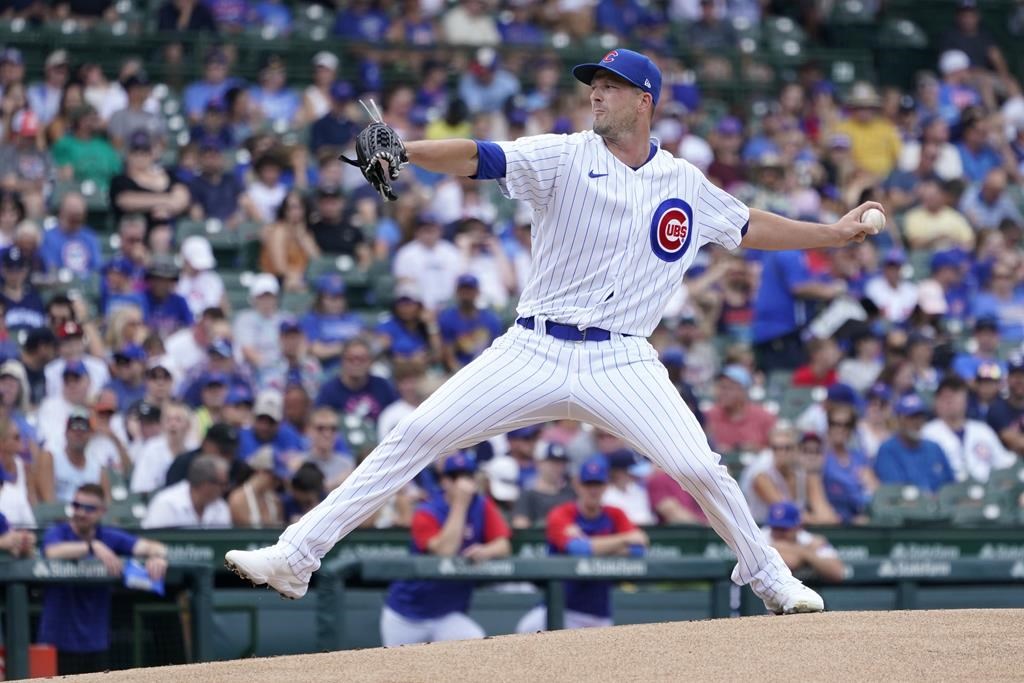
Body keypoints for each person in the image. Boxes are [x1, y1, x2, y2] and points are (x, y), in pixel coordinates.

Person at [226, 47, 883, 615]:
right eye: (592, 84)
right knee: (416, 432)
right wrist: (407, 151)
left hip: (623, 358)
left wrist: (836, 231)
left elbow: (748, 228)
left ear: (644, 100)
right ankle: (296, 555)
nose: (595, 92)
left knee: (697, 465)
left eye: (610, 85)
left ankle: (768, 576)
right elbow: (481, 157)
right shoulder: (563, 156)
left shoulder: (682, 180)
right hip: (534, 345)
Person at [378, 452, 511, 647]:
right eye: (455, 477)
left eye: (467, 476)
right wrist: (460, 505)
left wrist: (486, 550)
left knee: (477, 643)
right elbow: (445, 551)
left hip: (447, 614)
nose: (461, 483)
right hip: (407, 613)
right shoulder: (427, 511)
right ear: (444, 481)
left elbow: (504, 545)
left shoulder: (482, 505)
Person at [37, 483, 168, 675]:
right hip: (57, 642)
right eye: (76, 505)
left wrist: (157, 557)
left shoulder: (108, 536)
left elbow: (154, 547)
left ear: (102, 512)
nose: (81, 512)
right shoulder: (59, 532)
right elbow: (51, 551)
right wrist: (91, 547)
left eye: (89, 509)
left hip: (95, 643)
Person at [516, 455, 649, 632]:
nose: (593, 490)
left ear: (606, 486)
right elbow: (578, 549)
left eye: (598, 484)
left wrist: (591, 544)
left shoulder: (615, 514)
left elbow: (639, 549)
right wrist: (623, 540)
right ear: (578, 485)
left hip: (598, 613)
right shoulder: (562, 513)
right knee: (525, 629)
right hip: (559, 609)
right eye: (588, 484)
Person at [922, 375, 1015, 483]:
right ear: (936, 402)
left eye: (954, 396)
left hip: (987, 492)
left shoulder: (982, 430)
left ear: (965, 400)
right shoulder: (926, 433)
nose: (949, 402)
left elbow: (1005, 463)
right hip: (947, 492)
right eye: (944, 397)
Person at [875, 394, 956, 493]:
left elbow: (951, 485)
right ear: (899, 420)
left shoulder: (934, 447)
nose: (917, 422)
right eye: (911, 418)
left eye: (920, 417)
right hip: (907, 507)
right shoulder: (888, 450)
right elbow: (896, 491)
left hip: (940, 506)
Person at [314, 338, 398, 425]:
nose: (356, 363)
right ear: (342, 361)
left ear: (371, 362)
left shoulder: (382, 386)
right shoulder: (329, 390)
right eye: (351, 359)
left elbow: (396, 414)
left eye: (362, 359)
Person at [35, 408, 110, 503]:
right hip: (57, 516)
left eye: (84, 428)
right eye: (74, 427)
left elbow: (106, 507)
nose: (78, 432)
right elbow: (49, 504)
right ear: (66, 432)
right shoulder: (50, 458)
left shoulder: (98, 470)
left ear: (91, 434)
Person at [761, 502, 845, 584]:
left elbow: (837, 573)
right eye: (775, 528)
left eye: (784, 529)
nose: (778, 533)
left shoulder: (807, 538)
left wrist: (803, 553)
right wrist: (807, 553)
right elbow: (791, 563)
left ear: (798, 527)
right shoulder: (762, 536)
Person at [142, 455, 232, 528]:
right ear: (205, 484)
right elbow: (153, 542)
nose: (225, 489)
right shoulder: (167, 504)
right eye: (222, 484)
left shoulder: (220, 507)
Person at [704, 365, 776, 453]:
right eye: (720, 387)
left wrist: (757, 449)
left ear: (744, 391)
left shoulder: (764, 417)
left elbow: (775, 451)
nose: (722, 392)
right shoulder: (708, 416)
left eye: (728, 388)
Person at [511, 442, 575, 528]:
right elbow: (520, 525)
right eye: (553, 462)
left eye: (561, 463)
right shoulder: (528, 495)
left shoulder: (570, 493)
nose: (558, 467)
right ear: (540, 463)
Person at [228, 445, 286, 528]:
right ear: (261, 471)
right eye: (275, 477)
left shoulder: (276, 501)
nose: (278, 483)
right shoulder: (238, 499)